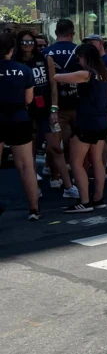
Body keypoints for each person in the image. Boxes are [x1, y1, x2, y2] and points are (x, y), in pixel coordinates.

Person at [14, 30, 76, 197]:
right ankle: (34, 187)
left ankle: (69, 186)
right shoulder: (15, 62)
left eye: (30, 42)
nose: (28, 45)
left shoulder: (45, 59)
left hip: (46, 109)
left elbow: (53, 85)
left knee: (55, 147)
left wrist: (54, 108)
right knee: (30, 151)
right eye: (24, 42)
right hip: (25, 110)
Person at [54, 43, 107, 212]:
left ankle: (85, 202)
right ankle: (98, 198)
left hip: (86, 122)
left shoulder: (86, 74)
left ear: (85, 58)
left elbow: (57, 78)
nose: (78, 60)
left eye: (79, 57)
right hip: (102, 122)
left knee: (76, 162)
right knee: (97, 161)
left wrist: (53, 67)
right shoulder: (106, 73)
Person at [0, 30, 41, 220]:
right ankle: (34, 209)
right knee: (26, 166)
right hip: (19, 118)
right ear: (12, 49)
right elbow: (29, 99)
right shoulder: (24, 70)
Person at [83, 34, 107, 176]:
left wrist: (105, 100)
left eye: (91, 43)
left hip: (105, 105)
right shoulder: (95, 61)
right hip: (99, 105)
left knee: (103, 137)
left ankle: (105, 166)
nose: (89, 46)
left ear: (99, 43)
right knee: (105, 136)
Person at [44, 18, 80, 155]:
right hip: (79, 102)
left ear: (55, 32)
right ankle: (79, 167)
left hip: (54, 105)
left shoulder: (46, 53)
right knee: (81, 139)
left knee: (54, 140)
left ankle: (54, 172)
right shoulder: (80, 51)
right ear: (73, 33)